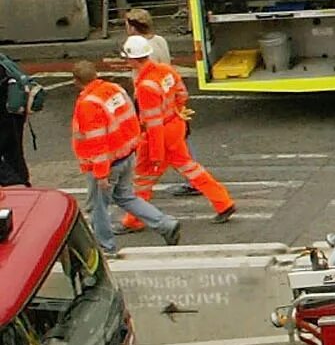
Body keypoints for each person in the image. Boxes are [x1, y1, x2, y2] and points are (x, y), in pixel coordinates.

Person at [125, 28, 234, 222]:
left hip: (159, 135)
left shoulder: (145, 87)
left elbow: (153, 123)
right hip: (176, 125)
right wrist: (175, 110)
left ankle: (134, 220)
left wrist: (156, 154)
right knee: (190, 167)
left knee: (142, 178)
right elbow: (182, 94)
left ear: (133, 60)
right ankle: (223, 202)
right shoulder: (166, 71)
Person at [70, 56, 176, 248]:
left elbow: (97, 141)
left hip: (107, 163)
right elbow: (132, 118)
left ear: (76, 81)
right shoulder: (115, 89)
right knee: (126, 196)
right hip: (127, 155)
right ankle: (165, 224)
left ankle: (106, 246)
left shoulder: (88, 103)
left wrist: (101, 173)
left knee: (98, 207)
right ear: (96, 74)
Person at [0, 45, 34, 186]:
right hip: (14, 116)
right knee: (15, 154)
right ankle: (23, 185)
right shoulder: (4, 61)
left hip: (3, 118)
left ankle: (15, 184)